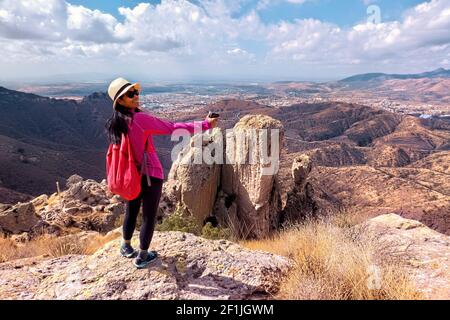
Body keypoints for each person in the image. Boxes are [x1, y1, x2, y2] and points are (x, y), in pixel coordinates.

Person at [106, 77, 218, 269]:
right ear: (121, 101)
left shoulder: (116, 123)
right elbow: (172, 128)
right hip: (150, 175)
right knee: (149, 215)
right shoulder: (139, 120)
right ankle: (142, 256)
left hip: (130, 175)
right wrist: (206, 124)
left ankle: (125, 246)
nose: (136, 95)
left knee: (131, 209)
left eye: (136, 91)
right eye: (130, 94)